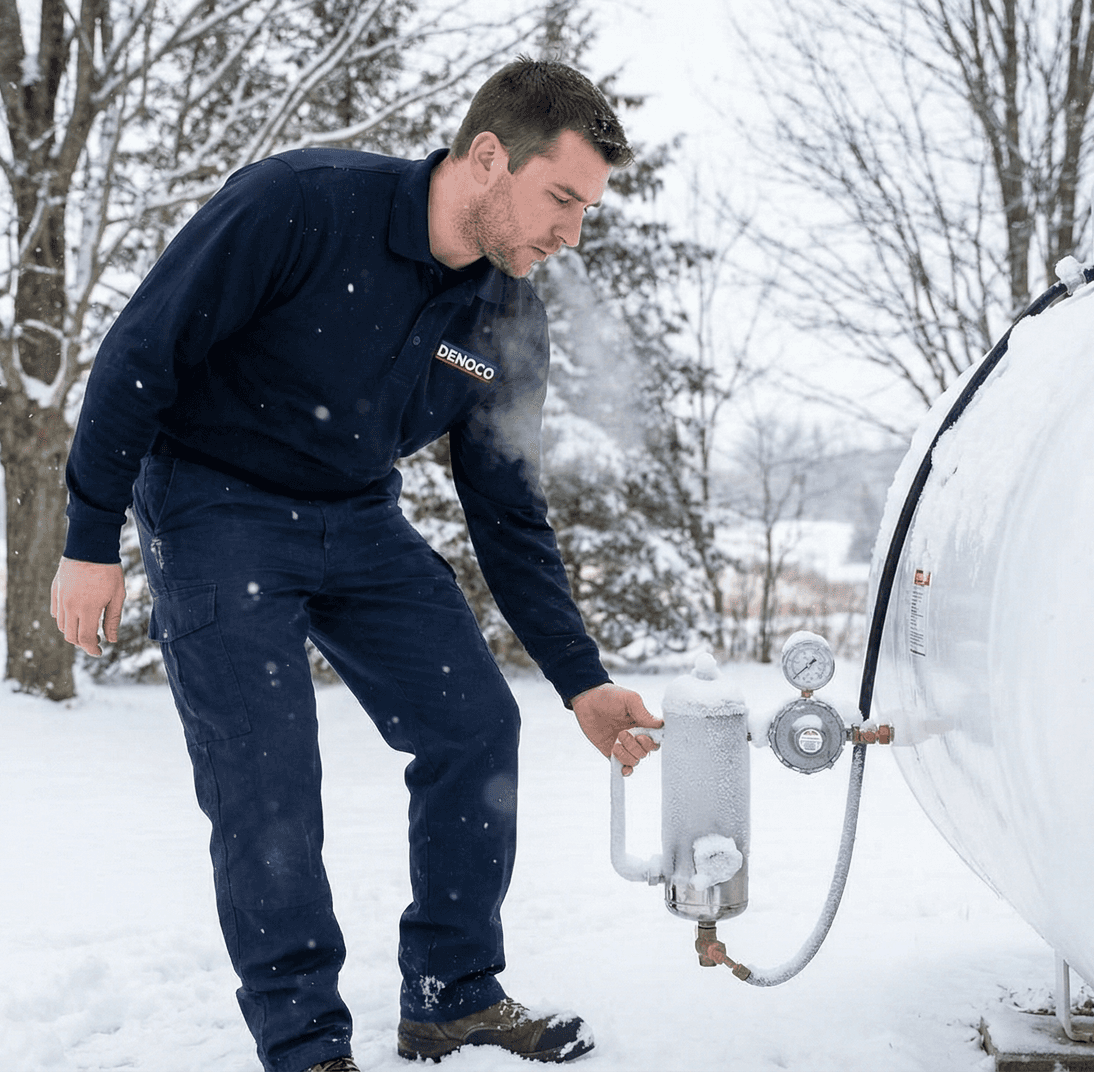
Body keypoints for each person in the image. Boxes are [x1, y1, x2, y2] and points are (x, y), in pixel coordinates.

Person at [49, 58, 664, 1072]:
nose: (571, 233)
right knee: (268, 776)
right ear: (485, 158)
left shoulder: (505, 316)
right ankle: (305, 1044)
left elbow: (507, 508)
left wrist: (581, 679)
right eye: (562, 198)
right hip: (215, 504)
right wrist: (88, 539)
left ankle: (451, 994)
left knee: (474, 724)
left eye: (586, 210)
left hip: (357, 517)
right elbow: (140, 352)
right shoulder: (300, 205)